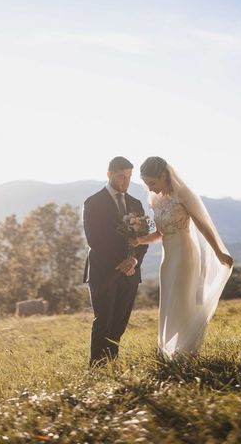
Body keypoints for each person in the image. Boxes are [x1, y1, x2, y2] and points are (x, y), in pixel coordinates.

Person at [130, 156, 233, 359]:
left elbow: (203, 225)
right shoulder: (155, 200)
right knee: (169, 300)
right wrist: (139, 240)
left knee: (182, 299)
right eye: (146, 184)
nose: (150, 189)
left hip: (185, 254)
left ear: (163, 176)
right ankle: (168, 349)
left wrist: (218, 252)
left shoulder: (183, 195)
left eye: (152, 183)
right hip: (167, 258)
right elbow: (161, 233)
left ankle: (186, 350)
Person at [83, 156, 149, 366]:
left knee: (120, 323)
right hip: (103, 271)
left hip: (131, 272)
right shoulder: (93, 202)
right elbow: (94, 239)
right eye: (122, 176)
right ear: (109, 175)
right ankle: (96, 367)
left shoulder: (135, 203)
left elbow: (144, 238)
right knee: (103, 321)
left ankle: (112, 364)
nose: (126, 181)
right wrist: (121, 262)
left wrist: (133, 261)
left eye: (129, 176)